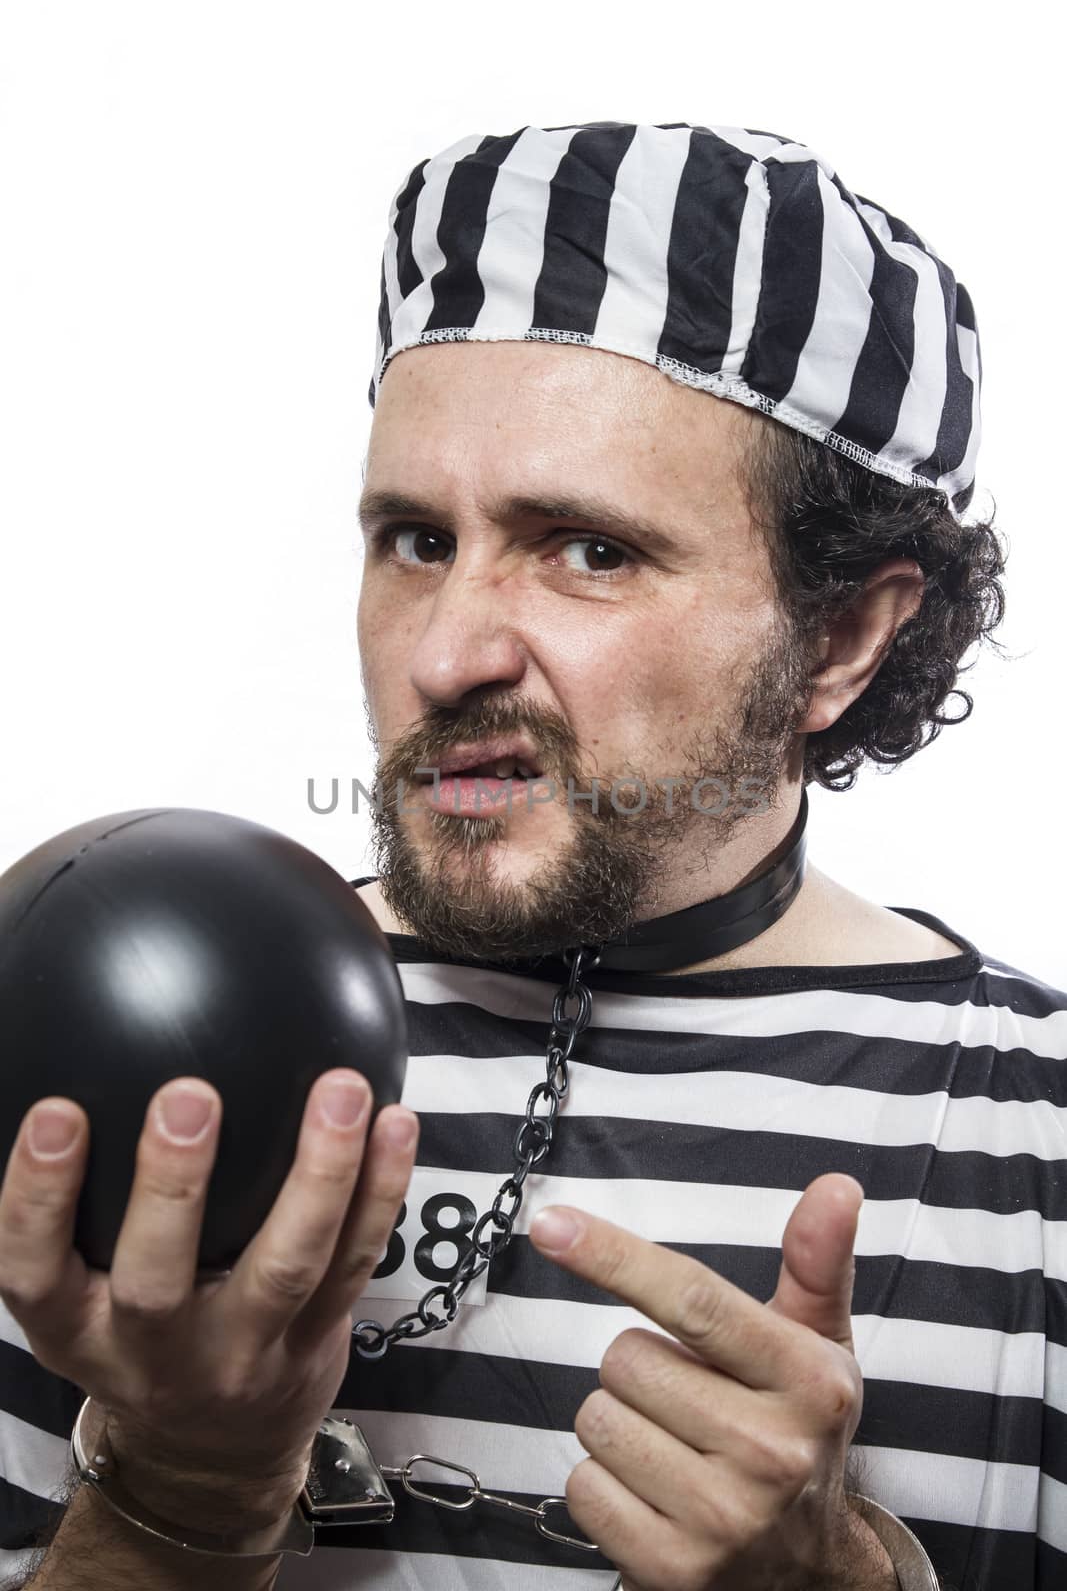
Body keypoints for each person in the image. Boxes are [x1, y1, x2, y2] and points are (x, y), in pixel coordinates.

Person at [0, 120, 1063, 1591]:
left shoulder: (1039, 1140)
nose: (445, 655)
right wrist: (177, 1494)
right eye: (415, 539)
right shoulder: (108, 1045)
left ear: (839, 639)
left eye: (590, 550)